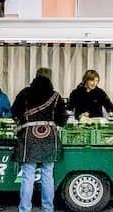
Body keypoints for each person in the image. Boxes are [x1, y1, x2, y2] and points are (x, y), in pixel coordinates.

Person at [11, 74, 68, 212]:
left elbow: (14, 112)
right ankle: (48, 209)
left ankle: (25, 209)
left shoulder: (24, 93)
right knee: (48, 175)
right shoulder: (55, 96)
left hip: (28, 136)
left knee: (27, 176)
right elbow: (62, 120)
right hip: (49, 137)